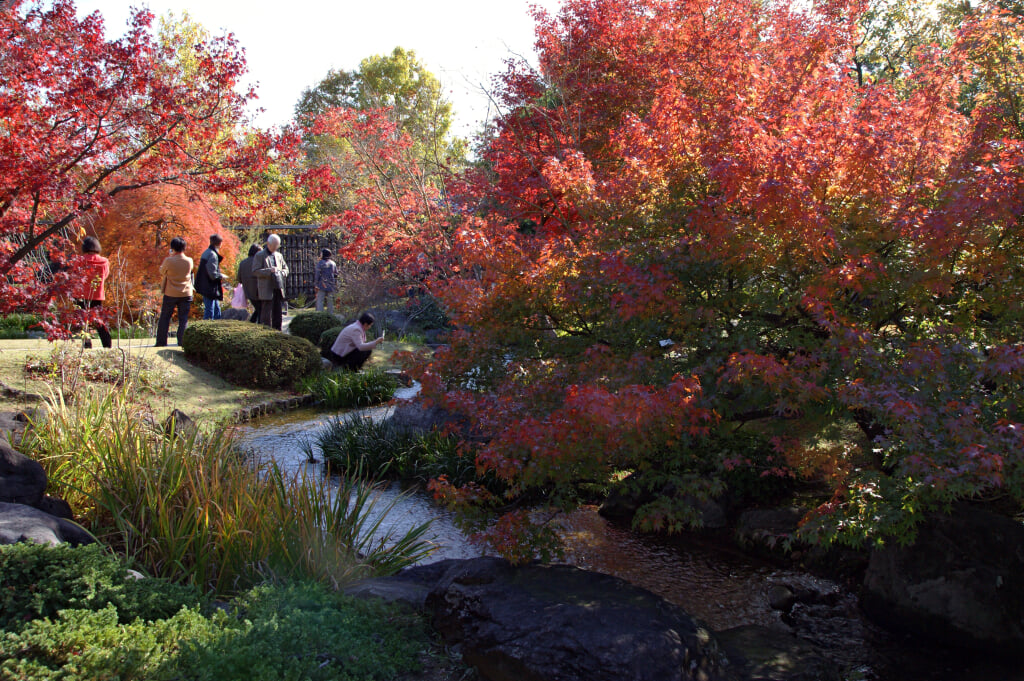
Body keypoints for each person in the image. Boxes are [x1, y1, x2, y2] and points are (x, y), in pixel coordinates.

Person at [154, 237, 194, 347]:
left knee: (165, 317)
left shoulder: (169, 260)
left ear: (172, 248)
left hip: (171, 292)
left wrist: (171, 256)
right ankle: (182, 341)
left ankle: (161, 341)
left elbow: (162, 271)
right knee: (183, 319)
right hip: (186, 292)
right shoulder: (189, 260)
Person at [73, 236, 112, 348]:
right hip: (97, 294)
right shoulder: (104, 261)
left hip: (80, 294)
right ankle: (107, 343)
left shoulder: (79, 261)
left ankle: (87, 343)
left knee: (83, 320)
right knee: (99, 320)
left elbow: (75, 276)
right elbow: (105, 276)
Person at [253, 234, 289, 330]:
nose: (274, 249)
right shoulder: (259, 255)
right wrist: (269, 271)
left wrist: (281, 273)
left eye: (276, 246)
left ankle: (278, 330)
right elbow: (255, 271)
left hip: (277, 286)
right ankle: (266, 331)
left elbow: (286, 269)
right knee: (266, 313)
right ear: (268, 244)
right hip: (266, 288)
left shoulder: (279, 255)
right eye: (273, 246)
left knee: (278, 312)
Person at [194, 234, 224, 320]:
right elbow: (213, 274)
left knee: (215, 309)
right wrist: (221, 276)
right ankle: (207, 331)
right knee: (210, 312)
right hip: (210, 287)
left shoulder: (206, 252)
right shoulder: (213, 255)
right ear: (220, 243)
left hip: (204, 285)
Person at [236, 244, 262, 323]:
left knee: (258, 309)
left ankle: (252, 323)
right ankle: (259, 326)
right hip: (259, 290)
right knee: (261, 310)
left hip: (248, 292)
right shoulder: (259, 262)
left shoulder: (243, 263)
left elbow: (239, 279)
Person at [314, 248, 339, 314]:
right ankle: (330, 315)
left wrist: (316, 284)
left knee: (320, 301)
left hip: (321, 284)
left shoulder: (320, 263)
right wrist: (335, 283)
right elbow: (336, 274)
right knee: (330, 301)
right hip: (331, 284)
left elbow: (317, 274)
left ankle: (320, 315)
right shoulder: (333, 263)